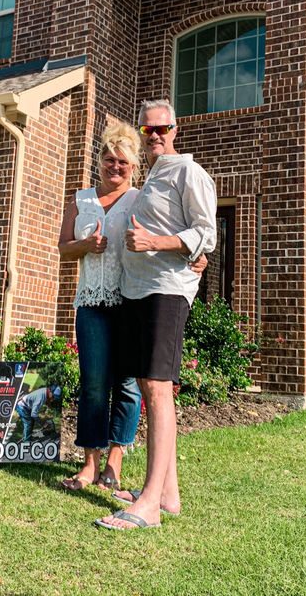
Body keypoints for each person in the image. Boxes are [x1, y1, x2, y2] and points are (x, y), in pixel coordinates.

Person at [96, 98, 216, 531]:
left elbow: (207, 233)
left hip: (166, 292)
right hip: (138, 293)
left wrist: (155, 243)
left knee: (158, 388)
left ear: (175, 129)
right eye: (149, 130)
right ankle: (167, 494)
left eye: (162, 128)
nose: (156, 135)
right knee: (148, 387)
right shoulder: (150, 181)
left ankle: (147, 505)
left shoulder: (188, 172)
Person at [57, 123, 144, 491]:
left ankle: (115, 464)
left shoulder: (141, 199)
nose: (115, 167)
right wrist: (86, 246)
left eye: (123, 162)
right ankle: (89, 464)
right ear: (100, 161)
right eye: (109, 159)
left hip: (131, 302)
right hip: (91, 302)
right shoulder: (80, 199)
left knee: (127, 384)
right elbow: (63, 249)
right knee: (93, 384)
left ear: (133, 166)